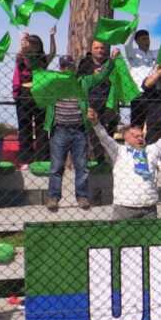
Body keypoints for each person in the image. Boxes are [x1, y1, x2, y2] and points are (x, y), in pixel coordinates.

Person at [44, 55, 115, 212]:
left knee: (82, 165)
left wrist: (111, 61)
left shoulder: (83, 81)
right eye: (64, 67)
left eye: (70, 66)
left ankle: (82, 196)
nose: (67, 69)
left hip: (79, 130)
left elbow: (101, 76)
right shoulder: (53, 82)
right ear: (60, 68)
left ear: (75, 68)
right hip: (59, 129)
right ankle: (53, 197)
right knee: (56, 166)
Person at [90, 108, 161, 220]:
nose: (140, 138)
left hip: (149, 208)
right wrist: (96, 123)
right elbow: (104, 138)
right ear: (125, 137)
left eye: (141, 136)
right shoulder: (118, 151)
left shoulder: (152, 150)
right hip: (124, 207)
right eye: (135, 136)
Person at [13, 29, 56, 167]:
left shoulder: (43, 59)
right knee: (24, 129)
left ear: (39, 45)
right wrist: (23, 40)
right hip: (24, 95)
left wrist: (52, 36)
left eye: (34, 44)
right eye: (30, 43)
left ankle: (43, 160)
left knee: (41, 128)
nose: (32, 46)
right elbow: (20, 52)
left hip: (40, 95)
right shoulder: (22, 57)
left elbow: (53, 52)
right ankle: (26, 160)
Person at [79, 40, 118, 162]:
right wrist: (93, 74)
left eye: (102, 48)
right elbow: (79, 79)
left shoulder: (111, 62)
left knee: (107, 134)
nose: (100, 50)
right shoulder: (85, 63)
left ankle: (107, 160)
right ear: (91, 50)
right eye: (96, 48)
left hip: (108, 102)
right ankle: (93, 160)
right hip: (90, 103)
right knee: (91, 134)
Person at [124, 29, 158, 129]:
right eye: (143, 39)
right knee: (137, 125)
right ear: (137, 41)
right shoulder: (133, 53)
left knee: (152, 124)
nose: (147, 41)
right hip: (138, 93)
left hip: (153, 93)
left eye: (148, 39)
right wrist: (133, 30)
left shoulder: (154, 53)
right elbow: (126, 44)